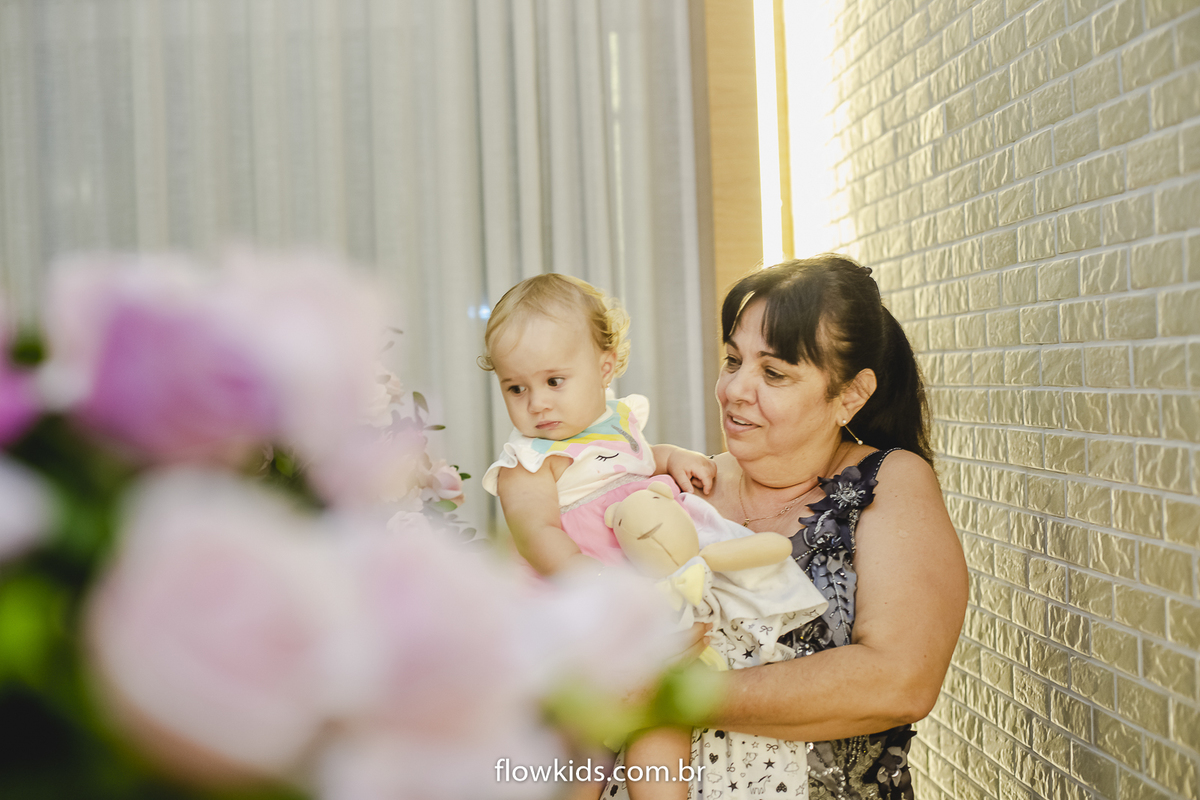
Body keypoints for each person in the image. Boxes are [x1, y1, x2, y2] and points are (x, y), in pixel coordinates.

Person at [604, 255, 968, 799]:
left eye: (773, 373)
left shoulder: (887, 483)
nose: (735, 389)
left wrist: (679, 695)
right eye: (733, 360)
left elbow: (900, 680)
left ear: (850, 394)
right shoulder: (678, 491)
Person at [478, 272, 719, 800]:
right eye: (516, 388)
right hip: (572, 615)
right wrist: (596, 586)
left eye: (554, 381)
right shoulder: (528, 460)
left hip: (636, 610)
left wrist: (674, 457)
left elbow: (641, 461)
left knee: (661, 718)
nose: (537, 404)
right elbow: (537, 533)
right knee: (580, 741)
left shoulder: (620, 422)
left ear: (605, 367)